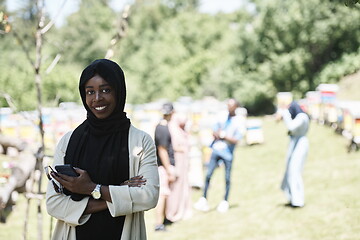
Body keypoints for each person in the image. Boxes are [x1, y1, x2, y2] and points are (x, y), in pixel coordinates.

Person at [45, 59, 159, 240]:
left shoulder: (140, 141)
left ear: (119, 91)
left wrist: (92, 188)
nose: (97, 98)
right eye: (90, 92)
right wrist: (117, 192)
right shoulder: (69, 142)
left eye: (105, 90)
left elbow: (148, 196)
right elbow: (54, 204)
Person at [194, 98, 243, 213]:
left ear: (236, 107)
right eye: (228, 105)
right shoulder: (222, 115)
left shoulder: (239, 121)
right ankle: (204, 199)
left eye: (231, 106)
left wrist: (224, 136)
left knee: (227, 178)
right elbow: (214, 130)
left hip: (228, 153)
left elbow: (237, 140)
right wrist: (217, 134)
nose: (229, 108)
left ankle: (225, 201)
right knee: (208, 175)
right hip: (216, 150)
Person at [277, 101, 309, 208]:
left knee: (295, 172)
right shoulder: (299, 116)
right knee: (290, 171)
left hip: (300, 145)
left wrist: (285, 113)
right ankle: (292, 197)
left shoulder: (301, 117)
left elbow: (291, 126)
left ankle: (298, 201)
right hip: (295, 144)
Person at [166, 112, 192, 222]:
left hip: (184, 162)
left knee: (183, 185)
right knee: (175, 186)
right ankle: (173, 211)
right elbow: (172, 147)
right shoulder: (172, 129)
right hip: (177, 161)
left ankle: (183, 208)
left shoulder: (182, 130)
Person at [154, 102, 176, 231]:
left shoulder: (163, 126)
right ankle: (158, 224)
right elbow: (162, 150)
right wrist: (168, 169)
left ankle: (165, 218)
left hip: (164, 166)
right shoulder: (162, 128)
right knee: (162, 195)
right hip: (163, 167)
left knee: (166, 194)